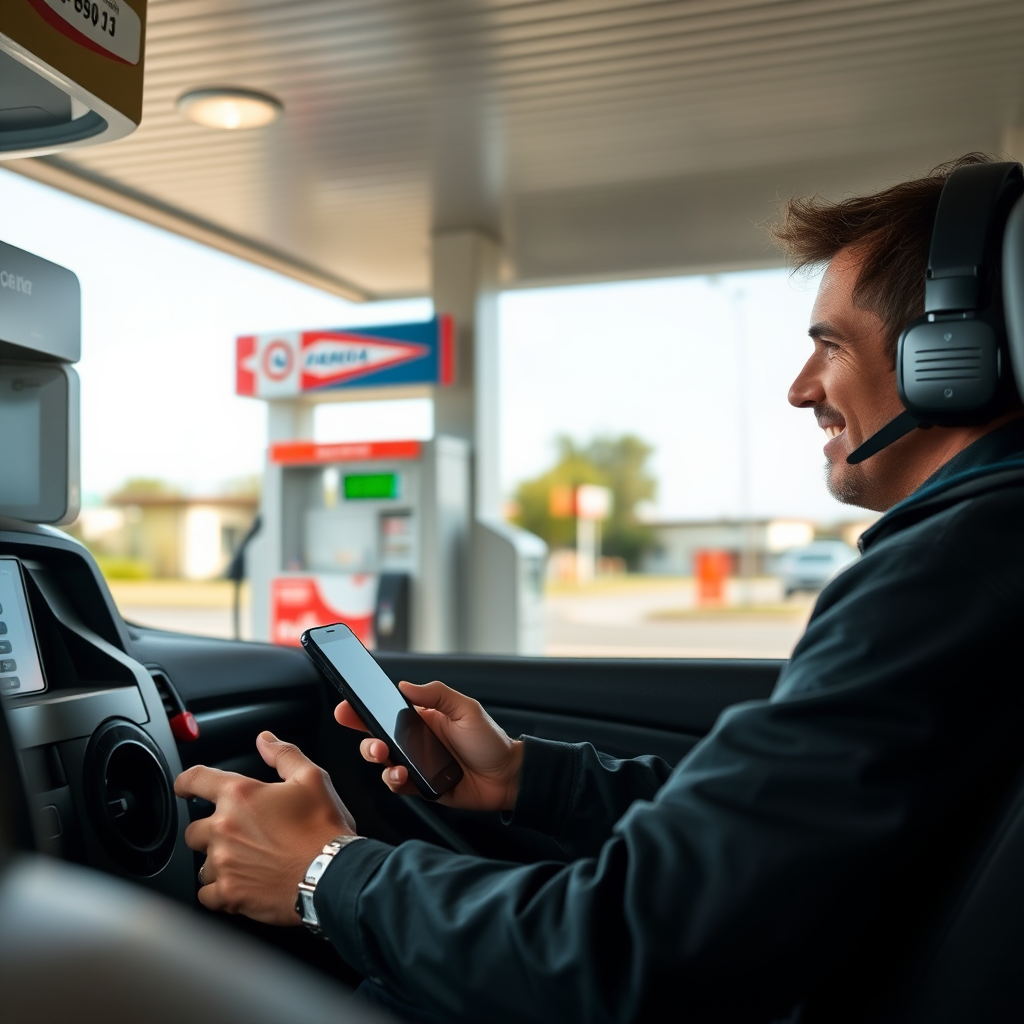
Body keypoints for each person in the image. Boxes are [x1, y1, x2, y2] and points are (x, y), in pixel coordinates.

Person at [175, 154, 1024, 1023]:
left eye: (830, 346)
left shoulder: (949, 571)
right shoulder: (975, 560)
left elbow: (634, 947)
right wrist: (527, 779)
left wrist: (323, 873)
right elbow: (760, 841)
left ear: (950, 357)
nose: (801, 389)